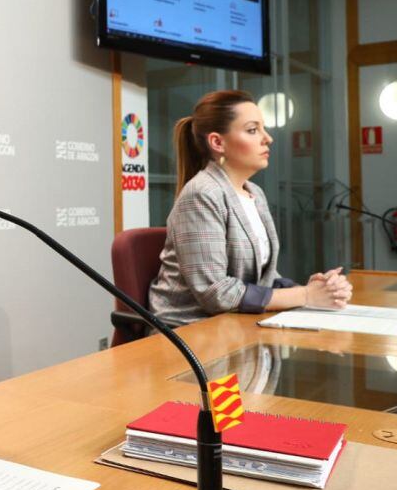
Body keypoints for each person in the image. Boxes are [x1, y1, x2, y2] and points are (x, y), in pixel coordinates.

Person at [148, 90, 352, 328]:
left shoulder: (254, 192)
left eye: (263, 129)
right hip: (189, 331)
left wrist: (315, 289)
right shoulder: (201, 194)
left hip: (235, 324)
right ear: (217, 142)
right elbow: (216, 293)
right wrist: (305, 296)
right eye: (253, 130)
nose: (268, 139)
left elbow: (264, 279)